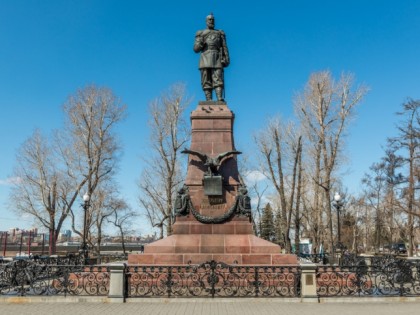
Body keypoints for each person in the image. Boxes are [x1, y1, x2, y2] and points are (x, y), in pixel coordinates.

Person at [193, 13, 230, 101]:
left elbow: (224, 47)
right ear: (206, 21)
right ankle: (208, 100)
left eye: (212, 19)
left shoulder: (219, 33)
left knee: (218, 78)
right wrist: (200, 43)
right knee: (206, 79)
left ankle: (219, 98)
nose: (211, 21)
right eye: (209, 19)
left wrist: (226, 58)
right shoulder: (201, 33)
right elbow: (195, 49)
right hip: (205, 58)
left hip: (217, 57)